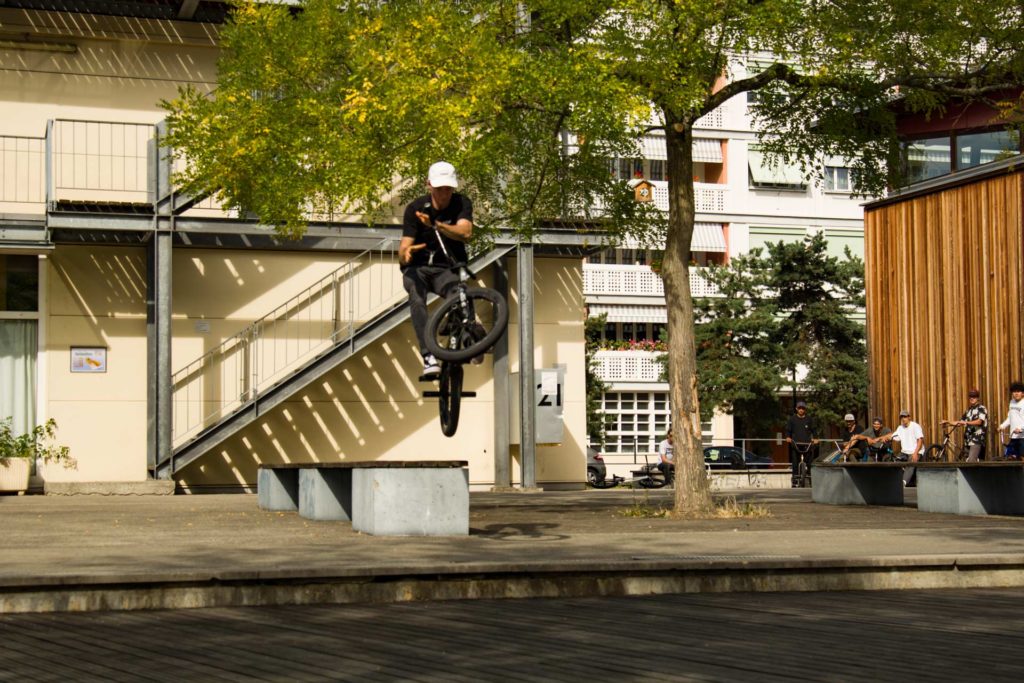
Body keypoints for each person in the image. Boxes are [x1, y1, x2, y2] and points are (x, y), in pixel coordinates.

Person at [399, 161, 474, 376]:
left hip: (446, 268)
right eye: (439, 189)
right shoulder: (415, 208)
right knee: (415, 295)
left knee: (458, 293)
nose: (444, 194)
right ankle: (428, 355)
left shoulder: (461, 203)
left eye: (448, 189)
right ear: (429, 185)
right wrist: (405, 254)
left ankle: (468, 333)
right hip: (419, 269)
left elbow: (466, 232)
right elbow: (404, 247)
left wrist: (436, 225)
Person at [940, 388, 988, 462]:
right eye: (970, 396)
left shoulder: (981, 408)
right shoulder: (968, 411)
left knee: (971, 461)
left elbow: (979, 422)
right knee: (965, 462)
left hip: (977, 440)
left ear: (978, 398)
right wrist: (948, 422)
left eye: (974, 396)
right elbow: (960, 422)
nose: (972, 398)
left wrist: (966, 423)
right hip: (967, 440)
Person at [884, 409, 924, 485]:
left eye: (905, 416)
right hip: (904, 452)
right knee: (895, 462)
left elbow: (920, 440)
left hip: (916, 451)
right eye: (901, 417)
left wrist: (915, 453)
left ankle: (903, 483)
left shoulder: (915, 426)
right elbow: (894, 436)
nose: (903, 418)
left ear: (909, 417)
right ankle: (892, 481)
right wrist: (887, 438)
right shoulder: (900, 428)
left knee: (911, 463)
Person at [785, 400, 818, 487]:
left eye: (803, 408)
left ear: (805, 409)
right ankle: (795, 481)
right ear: (796, 409)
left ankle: (811, 481)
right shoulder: (792, 419)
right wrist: (788, 437)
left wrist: (815, 439)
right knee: (795, 463)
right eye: (799, 408)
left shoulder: (809, 419)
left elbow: (814, 430)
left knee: (810, 463)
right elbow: (788, 430)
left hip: (807, 444)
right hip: (796, 444)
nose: (801, 410)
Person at [998, 381, 1024, 460]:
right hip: (1013, 436)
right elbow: (1010, 418)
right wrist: (1002, 426)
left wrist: (1021, 429)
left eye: (1018, 391)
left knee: (1022, 458)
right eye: (1014, 392)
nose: (1016, 394)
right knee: (1009, 457)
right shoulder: (1011, 402)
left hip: (1022, 437)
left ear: (1023, 393)